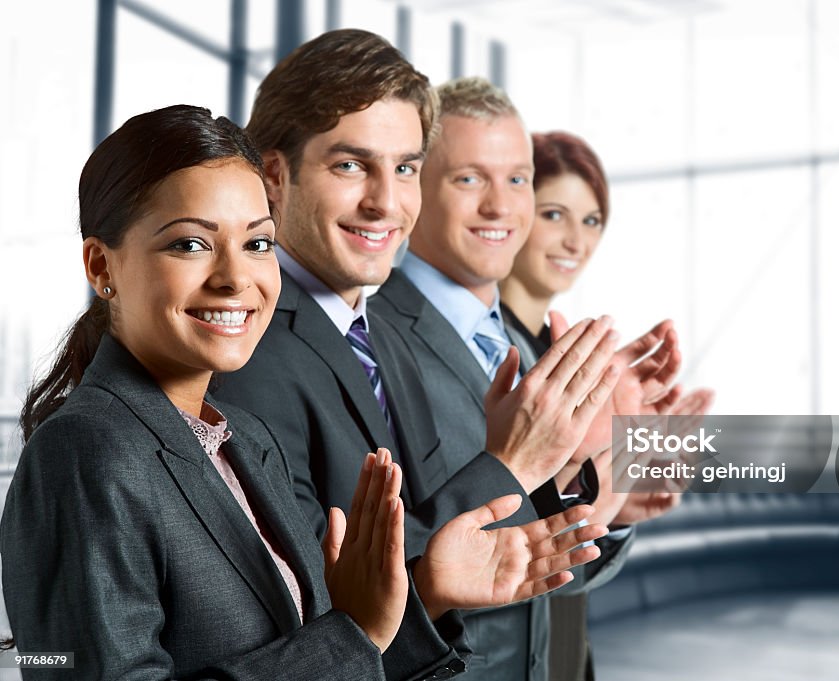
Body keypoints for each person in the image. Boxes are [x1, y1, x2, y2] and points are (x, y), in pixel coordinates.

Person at [0, 105, 605, 681]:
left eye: (257, 243)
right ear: (102, 267)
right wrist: (355, 636)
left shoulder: (243, 440)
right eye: (190, 243)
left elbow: (327, 655)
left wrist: (423, 591)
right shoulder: (84, 454)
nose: (235, 278)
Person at [212, 31, 623, 681]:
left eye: (404, 168)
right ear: (273, 175)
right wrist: (508, 463)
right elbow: (308, 617)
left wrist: (578, 472)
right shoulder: (245, 348)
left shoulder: (371, 335)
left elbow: (429, 549)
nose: (386, 201)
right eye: (351, 165)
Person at [370, 77, 697, 681]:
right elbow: (374, 574)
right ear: (413, 187)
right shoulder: (366, 334)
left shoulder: (525, 345)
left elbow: (543, 570)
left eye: (517, 179)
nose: (501, 206)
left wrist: (609, 501)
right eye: (469, 179)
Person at [498, 130, 717, 680]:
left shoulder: (563, 354)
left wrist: (612, 503)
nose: (575, 240)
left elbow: (565, 541)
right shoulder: (480, 352)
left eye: (591, 221)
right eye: (555, 214)